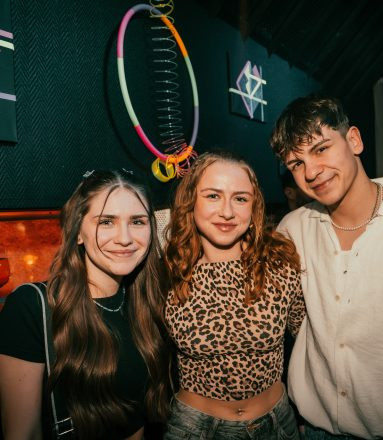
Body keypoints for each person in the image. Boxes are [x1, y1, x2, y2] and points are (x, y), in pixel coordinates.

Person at [270, 95, 383, 440]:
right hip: (312, 430)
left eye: (321, 149)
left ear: (354, 140)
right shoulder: (292, 229)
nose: (311, 172)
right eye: (296, 163)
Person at [0, 170, 171, 439]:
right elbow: (23, 433)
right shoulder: (31, 307)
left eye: (137, 221)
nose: (125, 238)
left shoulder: (150, 301)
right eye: (107, 222)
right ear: (78, 232)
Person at [163, 150, 305, 440]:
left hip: (276, 424)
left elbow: (311, 341)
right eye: (213, 196)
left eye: (240, 198)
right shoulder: (168, 271)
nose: (227, 212)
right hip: (195, 429)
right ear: (191, 200)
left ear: (254, 206)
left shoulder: (280, 263)